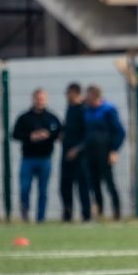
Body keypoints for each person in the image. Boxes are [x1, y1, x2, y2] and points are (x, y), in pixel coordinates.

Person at [12, 88, 62, 223]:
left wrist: (48, 135)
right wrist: (30, 136)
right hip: (28, 159)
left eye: (42, 99)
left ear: (46, 100)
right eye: (38, 98)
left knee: (43, 191)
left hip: (45, 159)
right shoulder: (24, 117)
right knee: (25, 189)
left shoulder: (52, 118)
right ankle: (25, 216)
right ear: (33, 99)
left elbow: (60, 133)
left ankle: (41, 219)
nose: (40, 101)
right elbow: (15, 134)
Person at [83, 84, 126, 221]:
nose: (85, 97)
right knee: (94, 184)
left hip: (105, 152)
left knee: (109, 183)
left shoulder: (108, 110)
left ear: (94, 96)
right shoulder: (86, 110)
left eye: (88, 95)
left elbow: (119, 132)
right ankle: (100, 213)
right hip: (90, 153)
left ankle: (117, 212)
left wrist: (114, 150)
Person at [59, 83, 91, 222]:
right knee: (65, 185)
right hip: (66, 154)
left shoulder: (83, 110)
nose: (66, 95)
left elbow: (88, 135)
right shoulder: (69, 109)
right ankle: (67, 215)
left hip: (80, 156)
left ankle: (86, 215)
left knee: (82, 185)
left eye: (68, 92)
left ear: (74, 93)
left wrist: (77, 149)